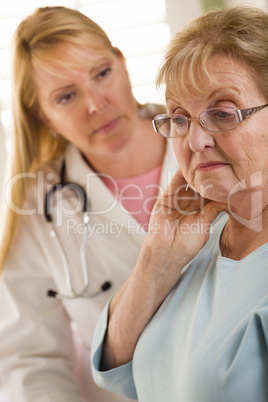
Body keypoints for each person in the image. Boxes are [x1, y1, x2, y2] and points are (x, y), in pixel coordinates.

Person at [0, 6, 177, 402]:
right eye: (66, 96)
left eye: (101, 73)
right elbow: (31, 359)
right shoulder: (35, 204)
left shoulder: (207, 141)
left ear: (123, 64)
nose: (96, 104)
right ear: (42, 116)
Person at [91, 6, 268, 402]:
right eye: (180, 118)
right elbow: (117, 368)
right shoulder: (199, 238)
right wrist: (157, 257)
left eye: (222, 113)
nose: (194, 141)